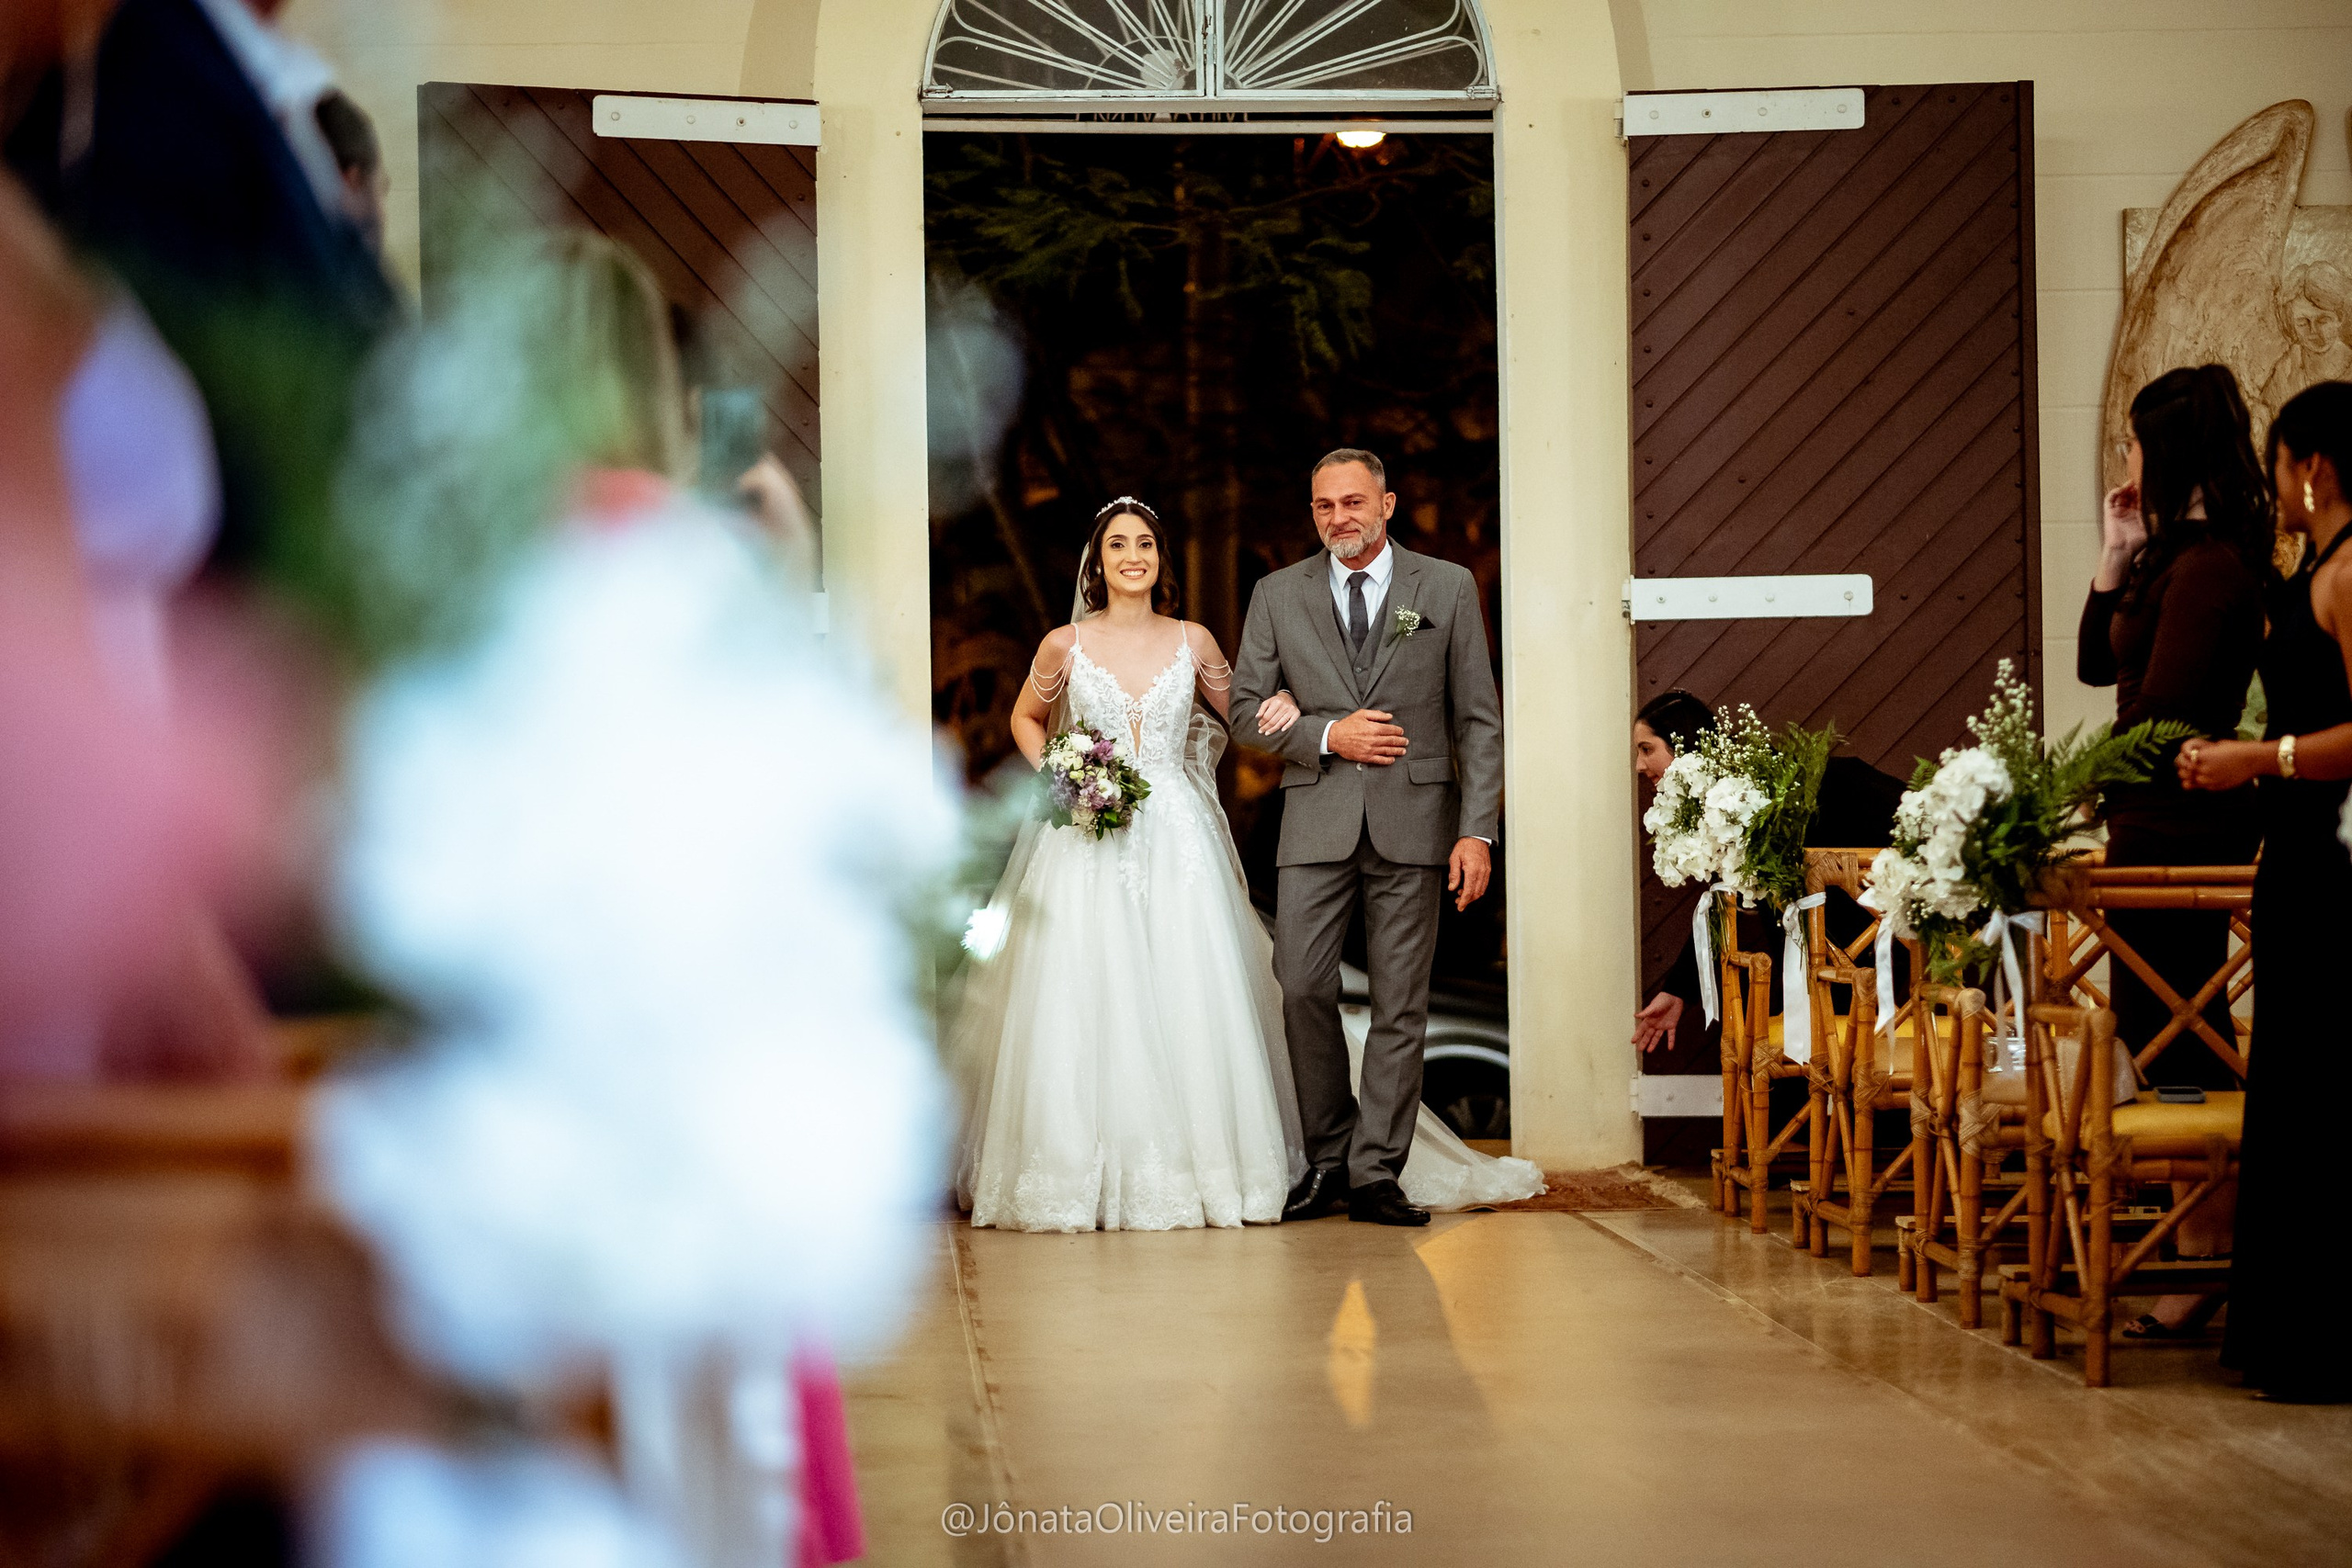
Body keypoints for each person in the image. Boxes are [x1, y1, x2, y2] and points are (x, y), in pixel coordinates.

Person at [951, 491, 1540, 1232]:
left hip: (1177, 836)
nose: (1133, 557)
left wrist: (1304, 717)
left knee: (1188, 994)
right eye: (1118, 546)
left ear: (1160, 560)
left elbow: (1248, 712)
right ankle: (1079, 1169)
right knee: (1084, 992)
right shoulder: (1062, 645)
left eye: (1145, 545)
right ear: (1096, 564)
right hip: (1089, 834)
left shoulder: (1193, 641)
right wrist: (1065, 775)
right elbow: (1024, 719)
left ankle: (1206, 1170)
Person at [1231, 447, 1517, 1227]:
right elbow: (1244, 710)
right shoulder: (1276, 594)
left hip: (1418, 824)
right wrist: (1328, 735)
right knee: (1303, 986)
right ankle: (1327, 1157)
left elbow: (1477, 721)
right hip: (1316, 819)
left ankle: (1376, 1172)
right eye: (1324, 506)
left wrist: (1477, 833)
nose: (1339, 518)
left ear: (1386, 505)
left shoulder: (1446, 587)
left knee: (1401, 1002)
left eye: (1353, 502)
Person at [2178, 378, 2352, 1403]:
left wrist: (2261, 759)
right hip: (2296, 857)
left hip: (2335, 858)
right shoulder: (2308, 566)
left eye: (2282, 461)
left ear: (2313, 465)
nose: (2278, 484)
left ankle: (2328, 1338)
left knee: (2327, 1089)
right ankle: (2290, 1334)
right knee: (2293, 1086)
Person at [2079, 365, 2269, 1091]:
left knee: (2174, 1012)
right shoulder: (2170, 557)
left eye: (2132, 441)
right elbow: (2096, 666)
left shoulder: (2210, 567)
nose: (2126, 456)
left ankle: (2199, 1178)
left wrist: (2075, 782)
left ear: (2165, 451)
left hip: (2183, 810)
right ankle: (2180, 1184)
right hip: (2148, 805)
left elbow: (2162, 711)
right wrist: (2116, 550)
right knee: (2152, 1010)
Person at [1628, 689, 1904, 1055]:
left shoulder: (1794, 788)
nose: (1639, 766)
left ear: (1685, 745)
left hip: (1878, 973)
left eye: (1647, 749)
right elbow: (1723, 900)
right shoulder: (1726, 809)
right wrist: (1678, 989)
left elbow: (1907, 814)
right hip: (1815, 981)